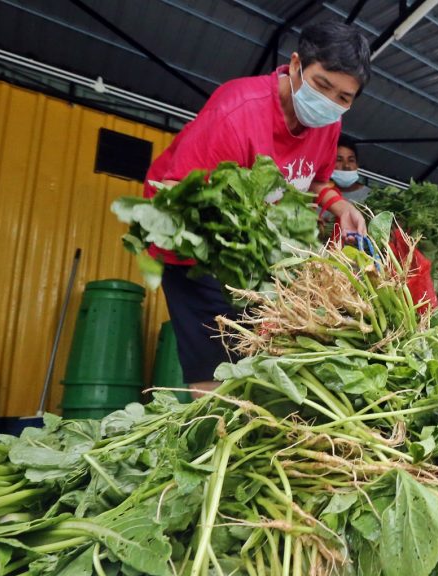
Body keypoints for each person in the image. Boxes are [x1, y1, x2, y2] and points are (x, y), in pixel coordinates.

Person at [144, 21, 372, 395]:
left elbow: (315, 180)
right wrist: (232, 232)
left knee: (265, 358)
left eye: (344, 97)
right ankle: (211, 438)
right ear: (296, 64)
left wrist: (339, 205)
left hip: (258, 258)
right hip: (196, 251)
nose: (331, 101)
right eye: (322, 85)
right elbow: (174, 190)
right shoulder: (238, 112)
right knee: (217, 368)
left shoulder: (328, 123)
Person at [332, 136, 371, 203]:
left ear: (357, 165)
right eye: (339, 160)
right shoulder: (318, 196)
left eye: (351, 160)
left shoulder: (370, 196)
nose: (346, 165)